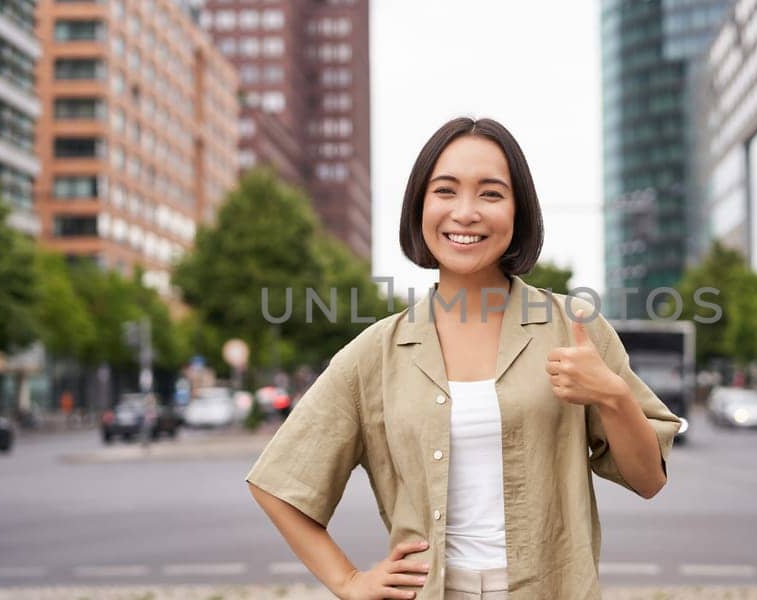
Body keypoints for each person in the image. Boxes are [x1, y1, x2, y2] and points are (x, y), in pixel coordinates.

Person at [246, 117, 681, 600]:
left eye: (491, 194)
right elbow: (278, 482)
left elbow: (648, 481)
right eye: (446, 191)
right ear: (420, 207)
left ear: (518, 212)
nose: (466, 212)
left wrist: (613, 395)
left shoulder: (573, 326)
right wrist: (349, 581)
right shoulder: (375, 354)